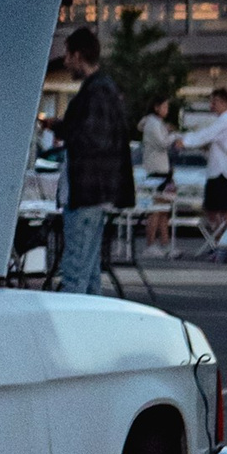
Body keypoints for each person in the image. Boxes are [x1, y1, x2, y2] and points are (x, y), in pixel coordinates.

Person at [54, 25, 132, 293]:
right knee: (87, 274)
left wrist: (65, 130)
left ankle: (69, 332)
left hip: (85, 193)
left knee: (75, 272)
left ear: (78, 55)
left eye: (67, 55)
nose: (65, 61)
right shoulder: (104, 89)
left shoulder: (95, 92)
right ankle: (90, 329)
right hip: (95, 194)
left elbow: (91, 139)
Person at [189, 86, 227, 260]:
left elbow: (206, 135)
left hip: (225, 172)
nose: (211, 105)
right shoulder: (221, 121)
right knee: (211, 209)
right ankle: (219, 243)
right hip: (216, 171)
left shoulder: (226, 121)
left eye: (214, 102)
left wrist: (185, 141)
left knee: (226, 210)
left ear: (224, 103)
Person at [138, 96, 177, 244]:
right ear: (156, 107)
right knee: (156, 209)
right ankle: (150, 243)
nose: (167, 110)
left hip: (162, 169)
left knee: (163, 209)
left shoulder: (157, 123)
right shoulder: (153, 124)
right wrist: (174, 136)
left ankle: (165, 243)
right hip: (156, 170)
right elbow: (162, 143)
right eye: (165, 107)